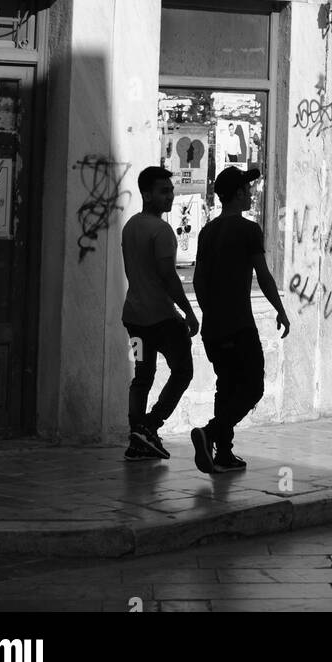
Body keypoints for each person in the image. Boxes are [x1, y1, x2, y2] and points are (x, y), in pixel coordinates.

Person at [191, 166, 289, 474]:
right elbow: (264, 276)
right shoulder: (249, 230)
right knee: (251, 389)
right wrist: (280, 310)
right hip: (239, 324)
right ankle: (210, 433)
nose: (251, 194)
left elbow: (197, 282)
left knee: (227, 386)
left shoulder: (207, 232)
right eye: (247, 190)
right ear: (236, 195)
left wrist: (211, 313)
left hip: (214, 327)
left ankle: (223, 453)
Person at [121, 166, 200, 461]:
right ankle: (150, 426)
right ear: (146, 194)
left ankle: (136, 434)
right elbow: (169, 276)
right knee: (183, 371)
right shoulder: (161, 230)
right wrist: (189, 312)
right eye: (164, 191)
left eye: (171, 190)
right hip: (162, 320)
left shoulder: (130, 226)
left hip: (134, 319)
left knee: (142, 376)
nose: (170, 195)